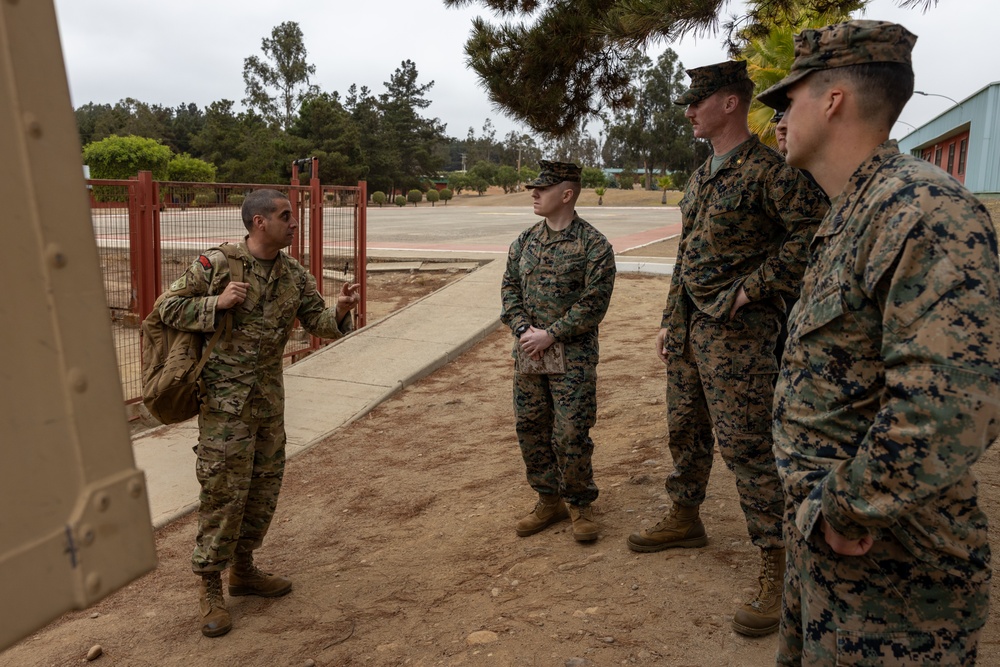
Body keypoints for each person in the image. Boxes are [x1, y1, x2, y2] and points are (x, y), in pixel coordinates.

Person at [757, 19, 1000, 664]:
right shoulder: (854, 210)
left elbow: (954, 406)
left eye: (788, 99)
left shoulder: (921, 210)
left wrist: (845, 507)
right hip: (833, 562)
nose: (778, 120)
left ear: (832, 99)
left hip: (894, 578)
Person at [624, 60, 828, 637]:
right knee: (684, 427)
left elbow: (813, 232)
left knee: (747, 446)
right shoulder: (703, 173)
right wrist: (669, 318)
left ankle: (777, 559)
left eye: (697, 101)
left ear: (731, 103)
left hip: (741, 335)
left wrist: (751, 290)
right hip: (692, 329)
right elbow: (686, 255)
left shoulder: (769, 170)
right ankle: (686, 515)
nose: (688, 111)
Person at [157, 189, 361, 637]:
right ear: (258, 223)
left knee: (263, 491)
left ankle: (244, 569)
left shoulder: (293, 275)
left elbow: (318, 324)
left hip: (269, 404)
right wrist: (216, 303)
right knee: (223, 493)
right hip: (224, 408)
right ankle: (211, 587)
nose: (294, 223)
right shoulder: (215, 266)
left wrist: (341, 310)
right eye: (286, 216)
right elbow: (165, 307)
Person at [501, 160, 616, 543]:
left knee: (571, 432)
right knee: (531, 428)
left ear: (566, 195)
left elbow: (593, 303)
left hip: (573, 358)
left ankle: (580, 504)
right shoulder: (524, 242)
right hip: (529, 354)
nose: (533, 193)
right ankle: (548, 500)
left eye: (542, 188)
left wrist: (551, 333)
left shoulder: (594, 245)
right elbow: (509, 290)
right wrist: (522, 330)